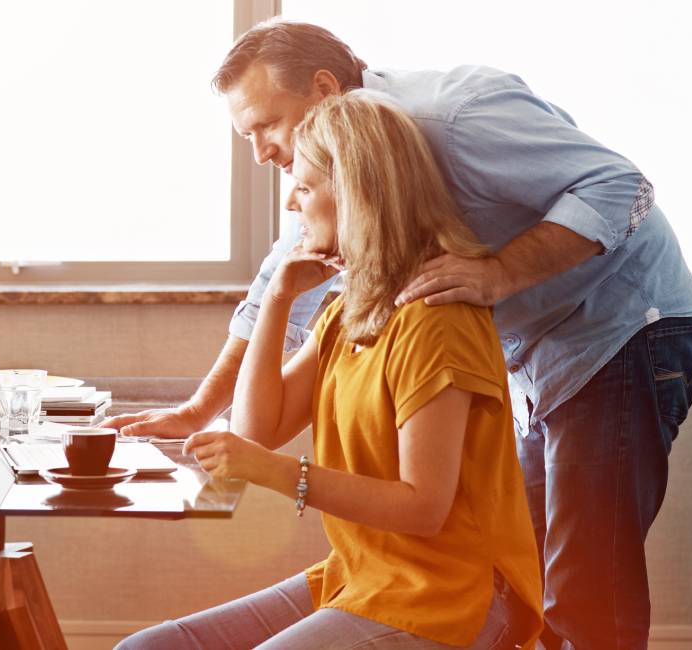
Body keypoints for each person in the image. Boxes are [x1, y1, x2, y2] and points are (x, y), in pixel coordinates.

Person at [100, 20, 692, 649]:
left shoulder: (454, 117)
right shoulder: (341, 194)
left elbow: (623, 188)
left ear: (323, 88)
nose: (261, 155)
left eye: (265, 126)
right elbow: (273, 294)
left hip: (622, 323)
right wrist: (205, 408)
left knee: (583, 578)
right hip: (528, 355)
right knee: (524, 567)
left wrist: (499, 272)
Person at [118, 91, 542, 650]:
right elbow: (254, 430)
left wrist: (276, 472)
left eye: (306, 186)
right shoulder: (349, 311)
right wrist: (275, 299)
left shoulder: (438, 319)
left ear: (355, 195)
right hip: (364, 577)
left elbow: (424, 507)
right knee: (145, 648)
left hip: (449, 598)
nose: (292, 204)